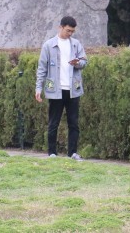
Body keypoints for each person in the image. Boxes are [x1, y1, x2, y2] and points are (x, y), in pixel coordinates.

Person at [35, 16, 87, 160]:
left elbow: (84, 62)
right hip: (55, 90)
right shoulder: (48, 45)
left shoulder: (76, 44)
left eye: (72, 31)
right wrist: (38, 88)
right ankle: (52, 153)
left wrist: (77, 63)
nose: (70, 33)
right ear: (61, 27)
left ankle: (72, 153)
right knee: (53, 123)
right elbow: (42, 68)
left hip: (73, 89)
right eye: (68, 30)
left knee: (74, 123)